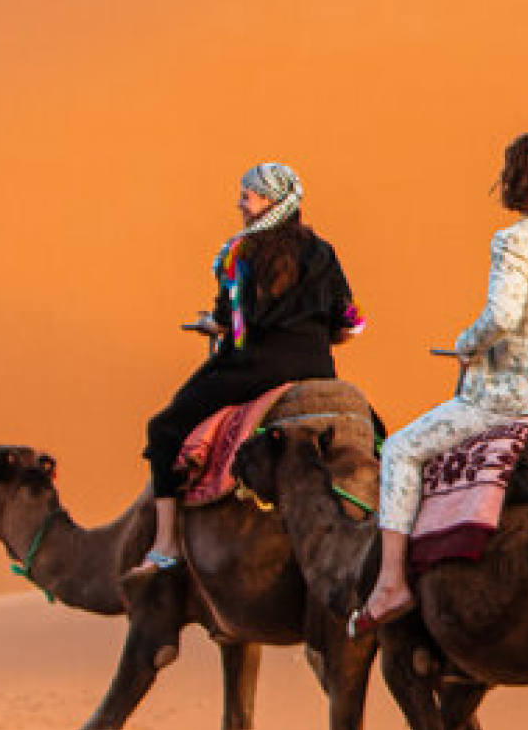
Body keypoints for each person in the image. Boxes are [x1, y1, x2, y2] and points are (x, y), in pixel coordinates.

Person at [356, 132, 528, 627]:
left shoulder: (515, 240)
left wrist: (468, 343)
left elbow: (503, 316)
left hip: (510, 398)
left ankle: (389, 584)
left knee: (400, 451)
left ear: (520, 178)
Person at [131, 161, 361, 582]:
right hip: (318, 368)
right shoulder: (322, 251)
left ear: (270, 201)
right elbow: (350, 322)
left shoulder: (240, 254)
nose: (240, 203)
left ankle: (165, 544)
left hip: (258, 366)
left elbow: (235, 329)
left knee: (163, 429)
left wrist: (211, 327)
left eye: (248, 195)